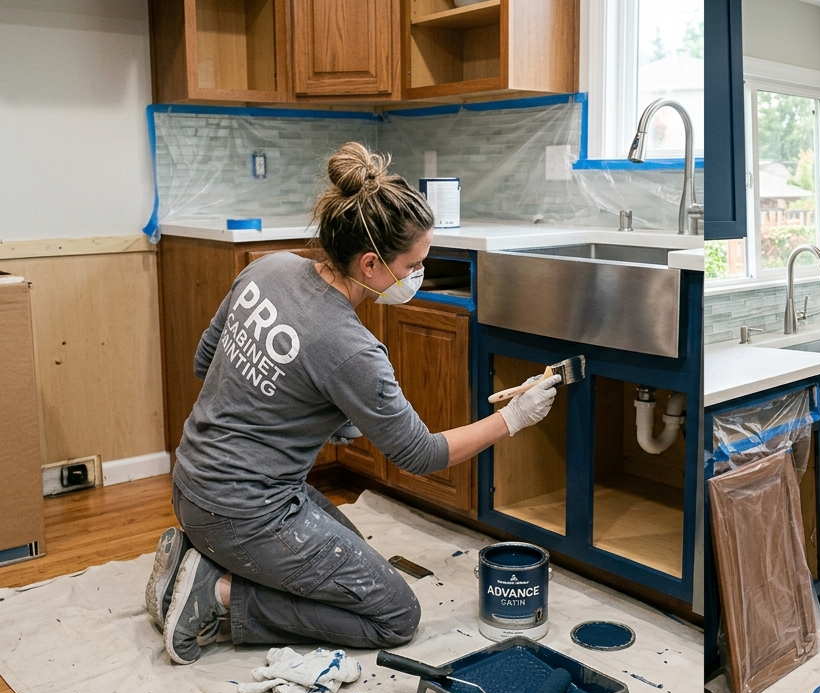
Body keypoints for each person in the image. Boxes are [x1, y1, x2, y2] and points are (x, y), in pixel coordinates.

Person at [144, 143, 559, 664]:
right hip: (242, 512)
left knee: (348, 549)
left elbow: (208, 361)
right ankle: (218, 597)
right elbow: (422, 456)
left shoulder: (268, 268)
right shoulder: (350, 348)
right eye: (414, 265)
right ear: (370, 263)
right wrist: (512, 418)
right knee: (393, 614)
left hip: (191, 483)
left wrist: (307, 410)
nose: (418, 275)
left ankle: (199, 557)